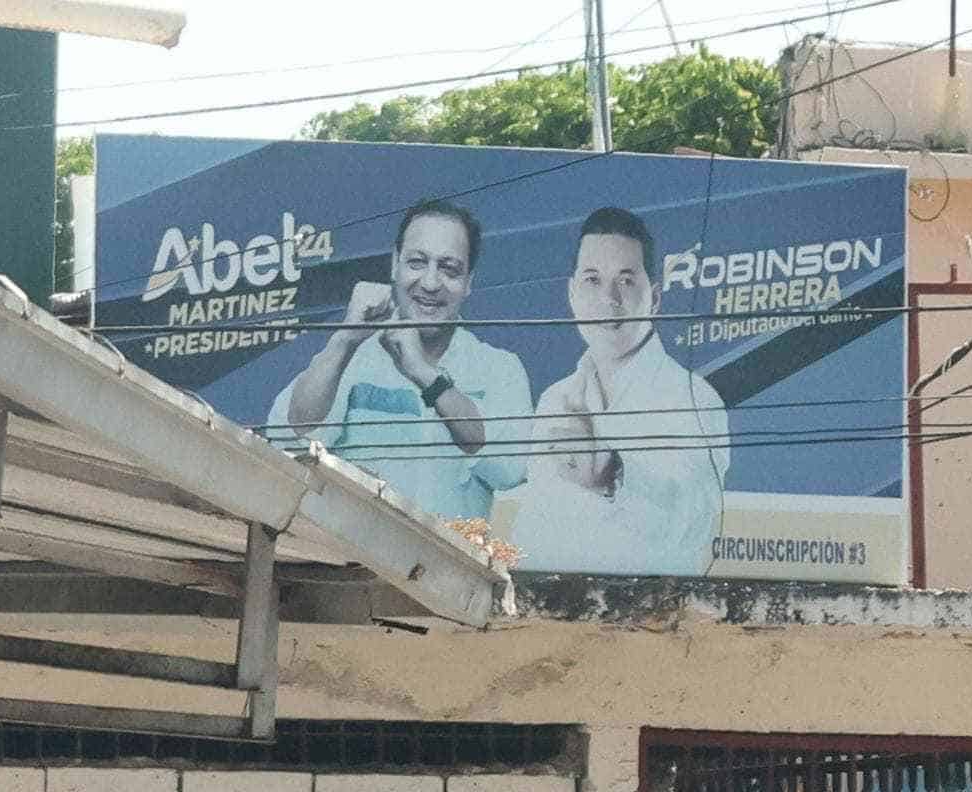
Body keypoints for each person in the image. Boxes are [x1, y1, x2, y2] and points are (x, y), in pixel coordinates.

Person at [263, 198, 533, 525]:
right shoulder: (352, 356)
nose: (431, 283)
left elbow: (510, 469)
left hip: (450, 572)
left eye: (449, 268)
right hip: (352, 564)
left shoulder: (499, 368)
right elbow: (288, 438)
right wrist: (345, 339)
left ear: (469, 282)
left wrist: (426, 375)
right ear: (395, 264)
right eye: (417, 262)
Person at [504, 205, 728, 579]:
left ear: (654, 298)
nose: (609, 298)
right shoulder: (556, 400)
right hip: (548, 618)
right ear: (572, 294)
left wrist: (615, 475)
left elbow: (694, 525)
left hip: (648, 620)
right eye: (592, 279)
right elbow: (535, 523)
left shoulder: (692, 398)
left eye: (625, 281)